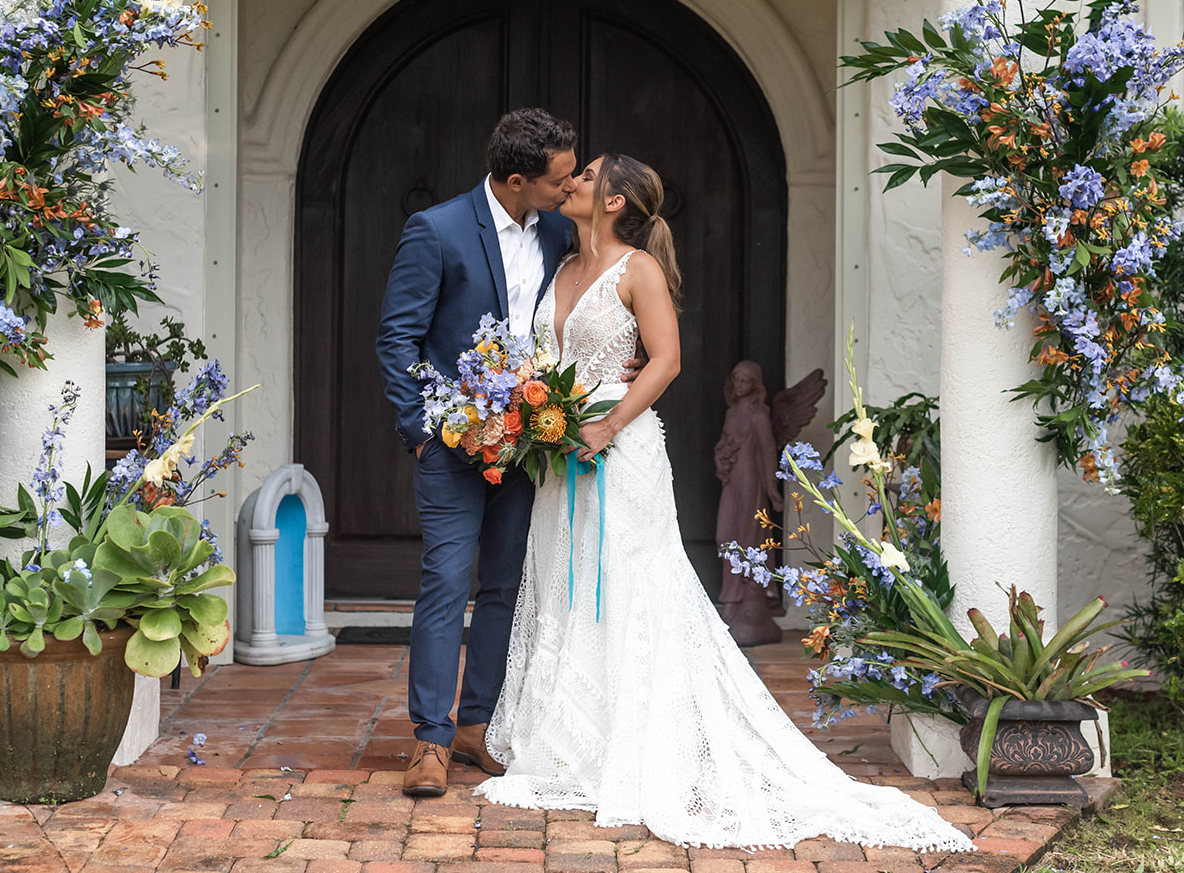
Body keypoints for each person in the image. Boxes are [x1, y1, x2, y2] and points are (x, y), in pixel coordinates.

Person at [476, 154, 973, 854]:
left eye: (587, 177)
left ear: (615, 202)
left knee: (629, 584)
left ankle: (644, 741)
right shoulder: (561, 270)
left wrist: (607, 425)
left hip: (617, 451)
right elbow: (549, 359)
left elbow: (666, 359)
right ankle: (573, 739)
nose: (573, 184)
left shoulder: (636, 270)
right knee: (565, 578)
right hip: (560, 456)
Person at [376, 108, 579, 798]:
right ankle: (429, 739)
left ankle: (476, 727)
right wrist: (422, 430)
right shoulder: (436, 230)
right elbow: (397, 338)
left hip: (528, 446)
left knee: (504, 588)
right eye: (559, 178)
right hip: (452, 445)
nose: (569, 187)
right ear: (517, 180)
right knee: (444, 584)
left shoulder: (559, 231)